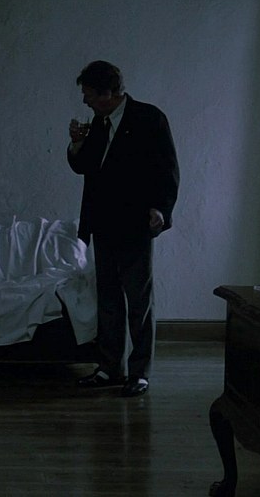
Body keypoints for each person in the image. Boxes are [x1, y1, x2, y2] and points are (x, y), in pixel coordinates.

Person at [66, 60, 179, 397]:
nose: (84, 100)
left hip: (134, 225)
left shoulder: (149, 118)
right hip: (103, 224)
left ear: (107, 92)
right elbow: (84, 167)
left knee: (139, 302)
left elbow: (168, 170)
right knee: (108, 300)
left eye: (88, 94)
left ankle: (140, 372)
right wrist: (76, 143)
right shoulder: (98, 123)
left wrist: (160, 209)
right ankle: (110, 368)